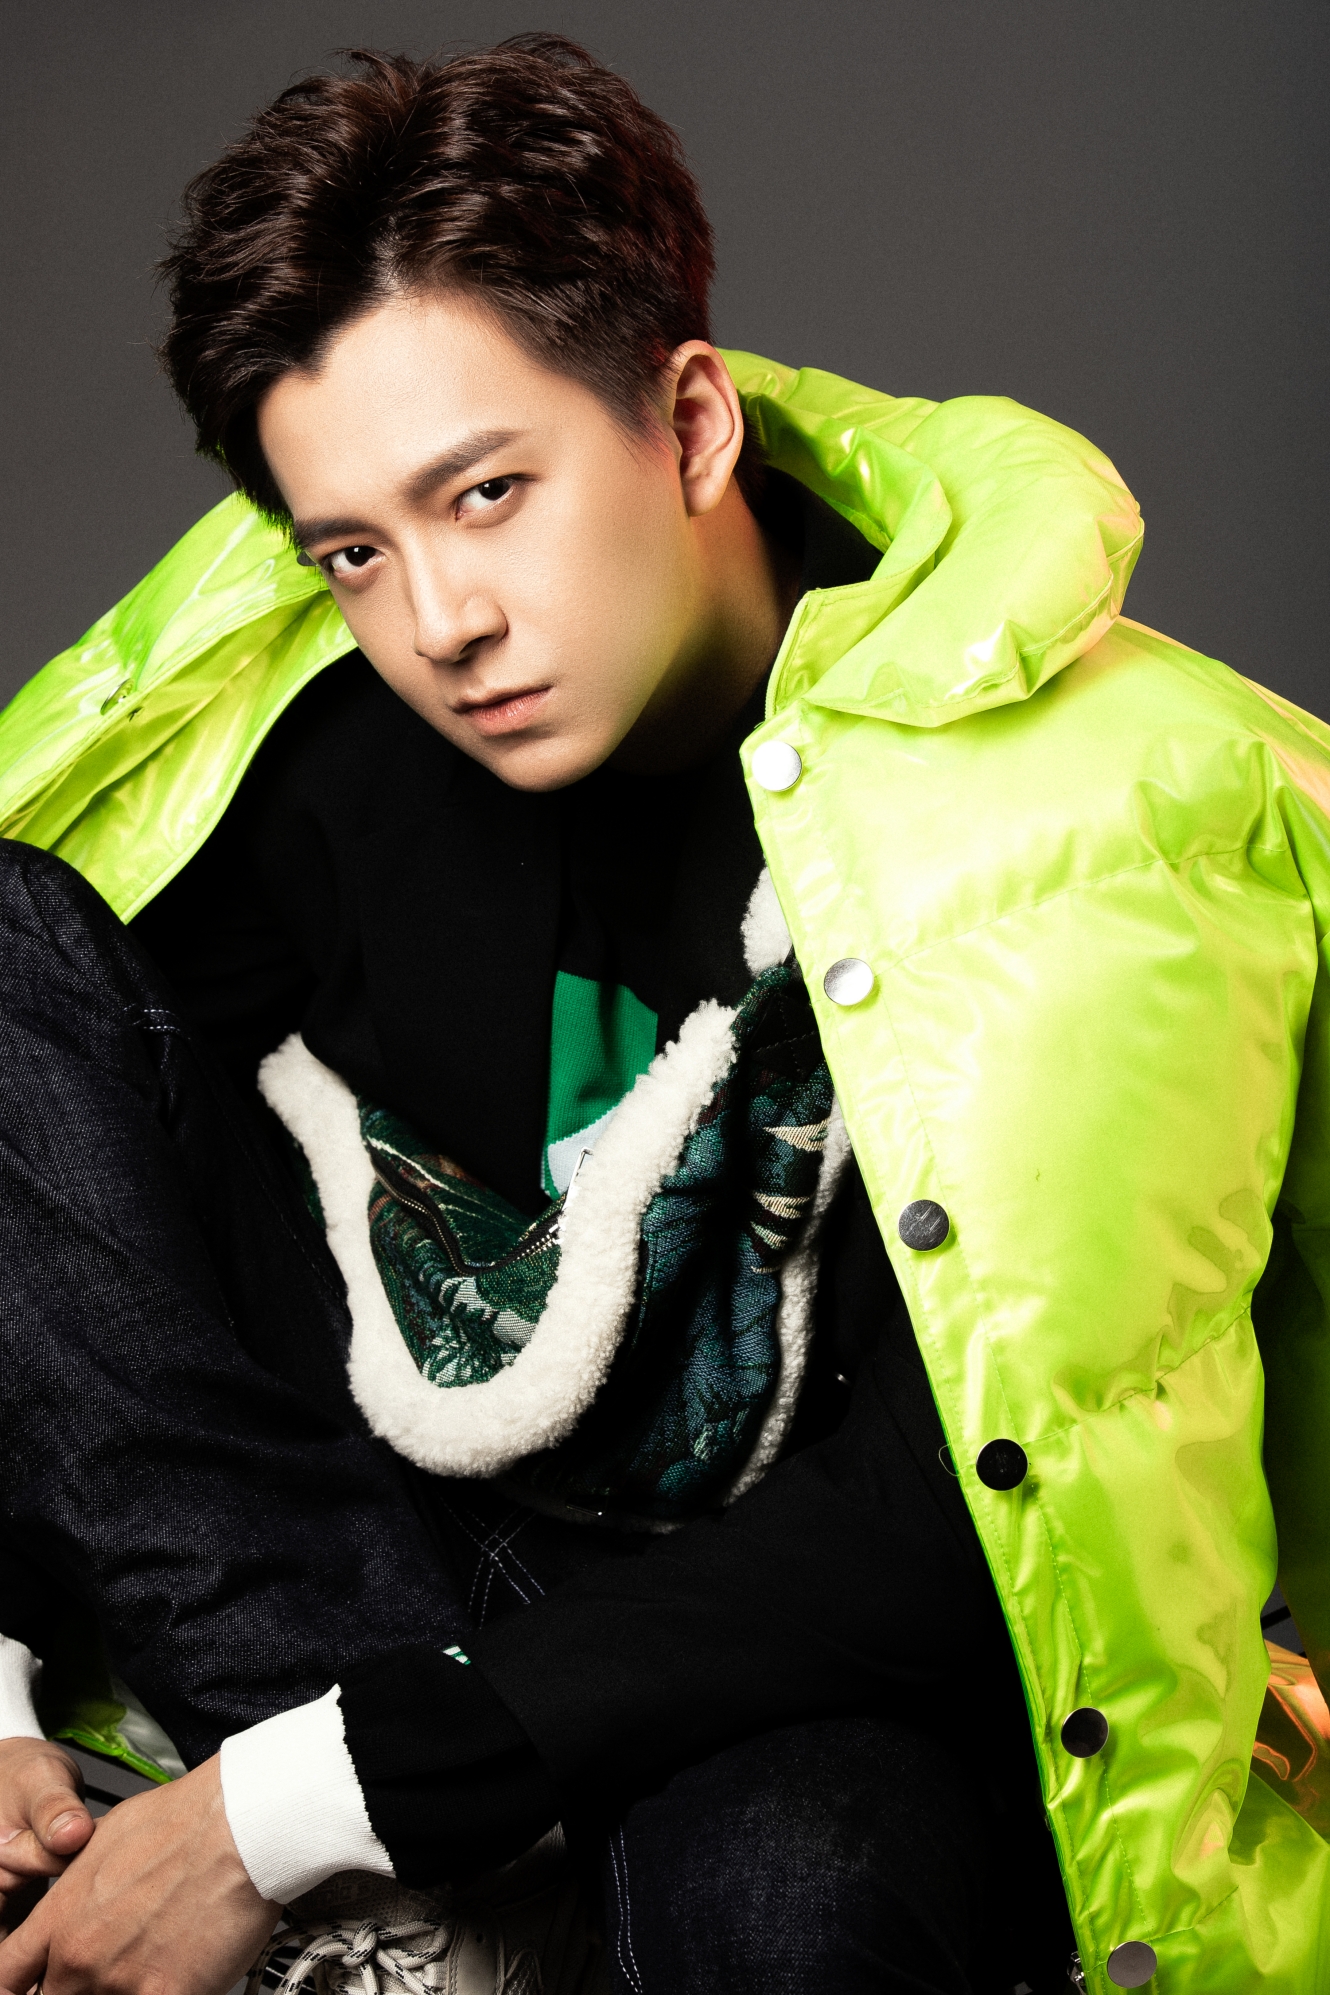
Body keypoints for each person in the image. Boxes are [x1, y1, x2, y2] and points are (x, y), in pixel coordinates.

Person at [0, 30, 1327, 1995]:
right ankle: (415, 1912)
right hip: (368, 1609)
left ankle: (377, 1853)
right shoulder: (315, 757)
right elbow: (80, 1257)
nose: (440, 619)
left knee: (795, 1892)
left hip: (804, 1659)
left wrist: (279, 1809)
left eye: (488, 493)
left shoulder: (1098, 813)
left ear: (689, 424)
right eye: (354, 550)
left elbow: (962, 1513)